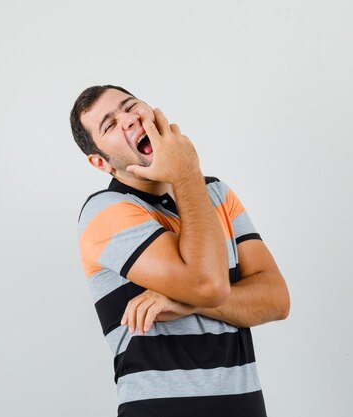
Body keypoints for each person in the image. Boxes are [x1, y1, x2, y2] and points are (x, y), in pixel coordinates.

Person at [70, 85, 290, 417]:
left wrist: (182, 301)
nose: (128, 120)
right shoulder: (105, 211)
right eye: (110, 125)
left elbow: (276, 300)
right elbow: (207, 284)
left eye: (131, 107)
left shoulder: (215, 193)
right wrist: (186, 171)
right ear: (101, 163)